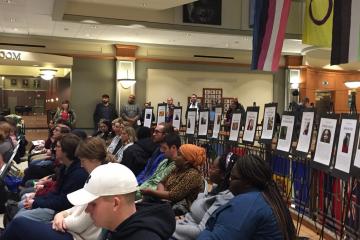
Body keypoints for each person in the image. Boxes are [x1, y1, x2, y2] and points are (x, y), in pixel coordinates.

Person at [0, 137, 115, 240]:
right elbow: (76, 207)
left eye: (83, 161)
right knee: (20, 220)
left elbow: (80, 220)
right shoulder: (91, 175)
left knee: (19, 222)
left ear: (93, 159)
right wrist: (61, 215)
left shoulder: (96, 179)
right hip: (67, 223)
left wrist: (59, 217)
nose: (81, 164)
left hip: (74, 234)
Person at [66, 163, 176, 240]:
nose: (87, 210)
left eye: (93, 204)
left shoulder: (141, 236)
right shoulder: (122, 228)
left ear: (116, 203)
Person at [197, 154, 296, 240]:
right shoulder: (268, 197)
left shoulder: (246, 204)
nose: (230, 182)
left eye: (234, 178)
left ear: (248, 182)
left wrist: (207, 230)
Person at [14, 134, 88, 222]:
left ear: (66, 151)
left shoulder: (78, 174)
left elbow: (64, 202)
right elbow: (56, 191)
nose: (55, 149)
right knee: (21, 205)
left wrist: (36, 202)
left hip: (60, 212)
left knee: (19, 216)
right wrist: (37, 200)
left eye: (58, 147)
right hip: (56, 204)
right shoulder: (66, 166)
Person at [172, 152, 237, 240]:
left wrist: (168, 226)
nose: (209, 170)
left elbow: (174, 195)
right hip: (181, 223)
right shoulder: (216, 189)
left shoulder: (223, 198)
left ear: (222, 175)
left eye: (212, 168)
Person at [141, 144, 206, 213]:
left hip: (179, 208)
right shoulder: (177, 168)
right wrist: (161, 194)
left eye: (178, 155)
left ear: (187, 161)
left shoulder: (193, 174)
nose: (175, 157)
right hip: (166, 201)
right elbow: (162, 182)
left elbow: (174, 195)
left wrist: (151, 192)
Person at [136, 133, 180, 200]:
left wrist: (141, 190)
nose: (162, 151)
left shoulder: (177, 166)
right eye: (162, 148)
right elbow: (151, 179)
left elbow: (164, 188)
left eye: (165, 148)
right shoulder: (164, 161)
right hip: (144, 189)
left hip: (153, 196)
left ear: (173, 148)